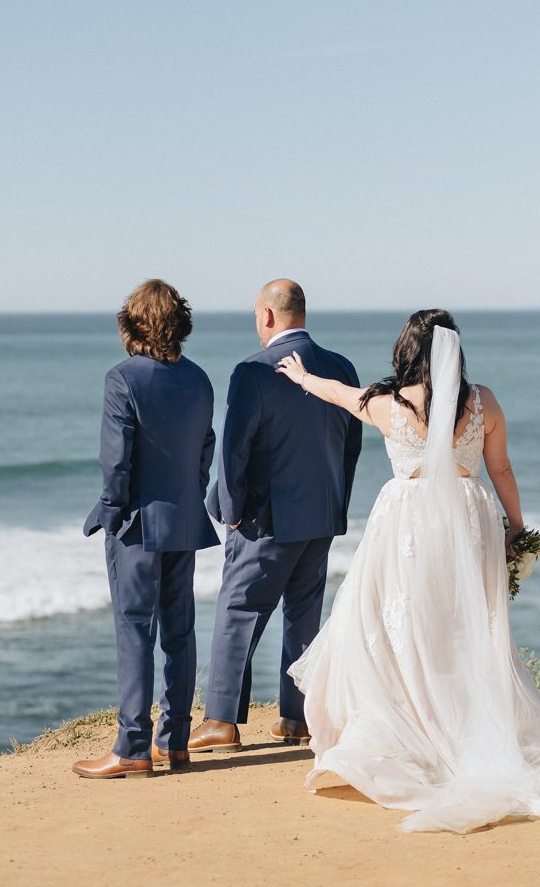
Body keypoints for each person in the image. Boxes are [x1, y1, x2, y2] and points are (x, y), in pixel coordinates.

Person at [275, 309, 540, 833]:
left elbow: (338, 393)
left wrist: (303, 377)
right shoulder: (482, 401)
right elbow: (501, 468)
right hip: (468, 519)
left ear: (406, 350)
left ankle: (413, 734)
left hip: (406, 525)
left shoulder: (383, 402)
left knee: (403, 631)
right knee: (465, 632)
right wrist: (516, 525)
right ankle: (468, 732)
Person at [188, 279, 362, 753]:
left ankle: (222, 720)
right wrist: (336, 503)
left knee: (239, 610)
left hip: (266, 520)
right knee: (303, 616)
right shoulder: (341, 366)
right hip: (322, 514)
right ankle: (296, 718)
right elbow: (351, 447)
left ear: (267, 314)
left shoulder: (254, 371)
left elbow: (233, 452)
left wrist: (231, 511)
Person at [72, 279, 219, 779]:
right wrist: (189, 495)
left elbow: (116, 462)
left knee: (135, 629)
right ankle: (174, 742)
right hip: (184, 519)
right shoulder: (200, 379)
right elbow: (205, 451)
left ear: (131, 325)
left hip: (136, 524)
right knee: (179, 631)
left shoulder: (123, 378)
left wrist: (112, 513)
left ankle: (132, 746)